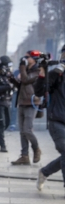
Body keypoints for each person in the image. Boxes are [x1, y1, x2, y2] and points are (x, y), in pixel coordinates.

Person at [35, 46, 65, 193]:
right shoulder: (57, 74)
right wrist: (46, 73)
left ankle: (45, 172)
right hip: (57, 120)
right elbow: (39, 91)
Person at [11, 50, 42, 165]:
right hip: (22, 101)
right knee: (22, 132)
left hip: (31, 102)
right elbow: (22, 84)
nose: (25, 59)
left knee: (27, 130)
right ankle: (24, 156)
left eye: (27, 57)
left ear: (34, 59)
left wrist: (22, 67)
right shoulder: (27, 70)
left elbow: (26, 80)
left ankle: (36, 149)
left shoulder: (37, 70)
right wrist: (13, 80)